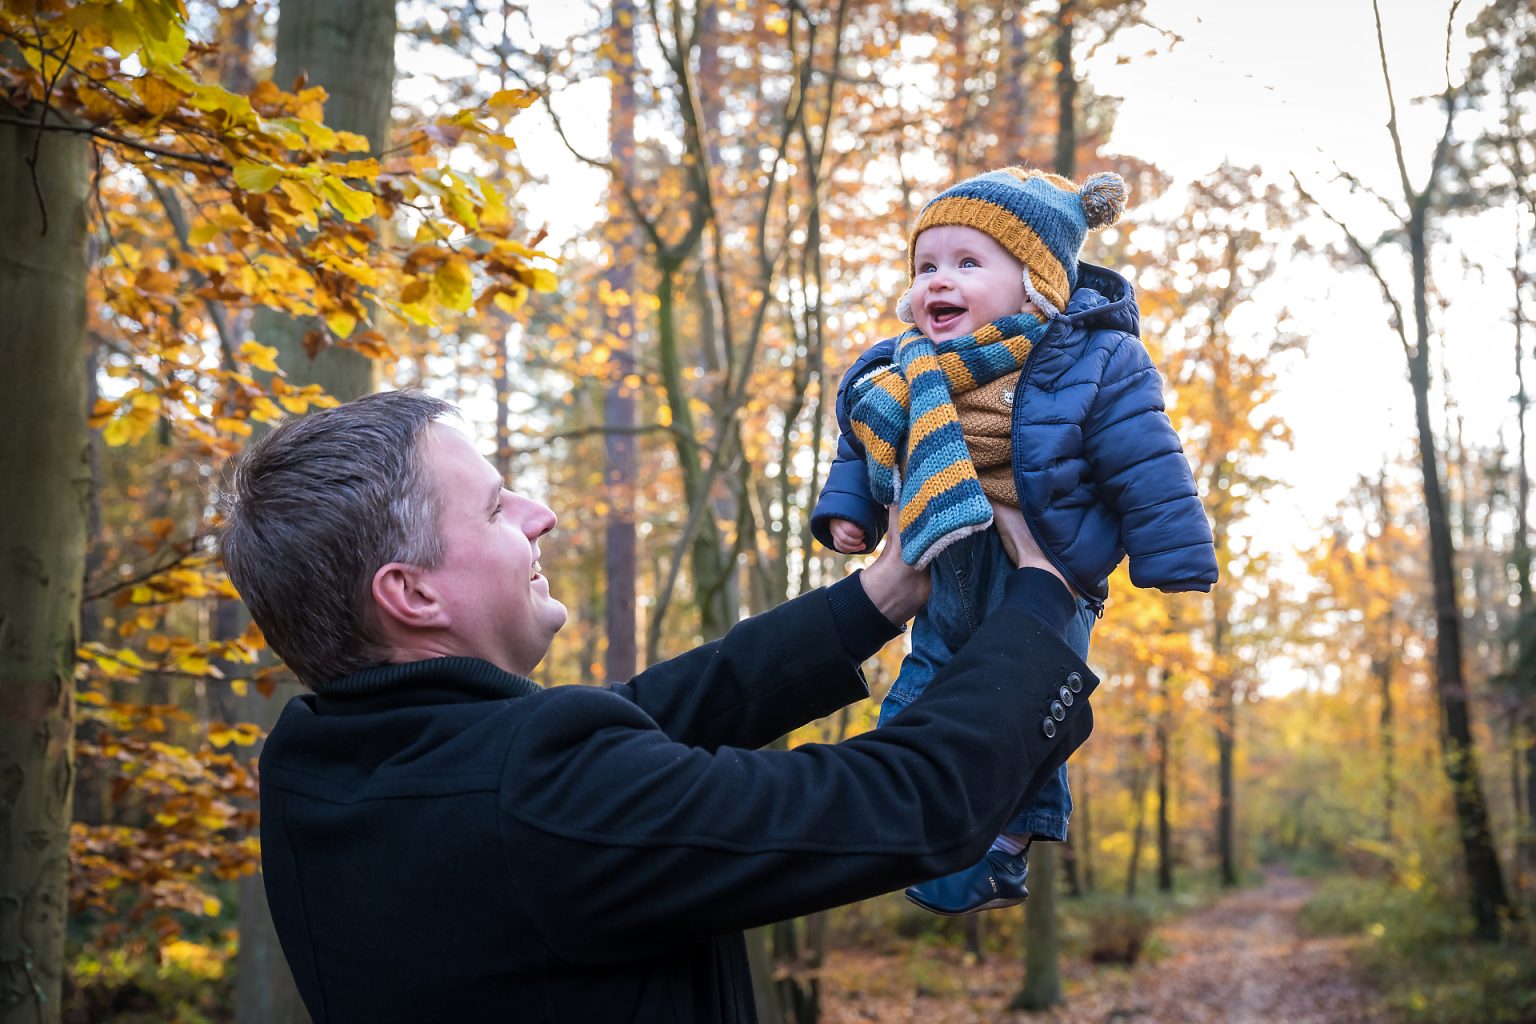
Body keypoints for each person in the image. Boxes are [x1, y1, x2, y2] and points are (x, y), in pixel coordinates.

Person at [220, 388, 1100, 1023]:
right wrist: (1042, 607)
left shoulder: (327, 765)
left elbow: (643, 717)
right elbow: (905, 800)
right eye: (495, 508)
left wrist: (878, 596)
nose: (542, 514)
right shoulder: (531, 797)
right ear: (410, 594)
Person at [812, 166, 1217, 916]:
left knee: (1027, 706)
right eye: (927, 265)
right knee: (921, 693)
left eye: (969, 263)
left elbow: (1145, 455)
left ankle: (1006, 845)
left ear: (1036, 281)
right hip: (943, 560)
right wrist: (852, 515)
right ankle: (916, 829)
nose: (941, 280)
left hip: (1048, 568)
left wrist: (1174, 551)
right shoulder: (899, 368)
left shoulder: (1091, 357)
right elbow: (857, 440)